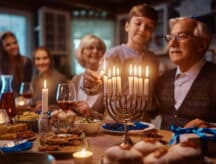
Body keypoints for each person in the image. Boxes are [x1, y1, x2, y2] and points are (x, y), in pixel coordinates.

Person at [82, 4, 159, 120]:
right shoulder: (113, 54)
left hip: (143, 121)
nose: (142, 30)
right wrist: (90, 83)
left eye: (149, 27)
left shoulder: (153, 59)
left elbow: (153, 94)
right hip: (116, 119)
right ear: (127, 26)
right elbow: (98, 85)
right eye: (138, 23)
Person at [154, 16, 216, 129]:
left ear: (201, 44)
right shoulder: (162, 80)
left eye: (182, 36)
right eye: (170, 37)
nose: (172, 44)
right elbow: (145, 112)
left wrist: (211, 126)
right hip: (163, 146)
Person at [71, 34, 106, 119]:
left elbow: (111, 118)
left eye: (99, 48)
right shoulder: (76, 79)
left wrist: (91, 113)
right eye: (91, 48)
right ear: (82, 52)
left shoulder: (109, 80)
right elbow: (69, 109)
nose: (95, 51)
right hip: (76, 130)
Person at [32, 47, 67, 112]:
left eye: (45, 58)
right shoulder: (35, 80)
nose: (41, 62)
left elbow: (66, 106)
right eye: (38, 59)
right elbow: (33, 104)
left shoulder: (61, 79)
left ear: (50, 59)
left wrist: (48, 108)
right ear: (34, 62)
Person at [0, 31, 33, 95]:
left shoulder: (26, 62)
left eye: (15, 43)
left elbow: (26, 87)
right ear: (2, 48)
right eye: (8, 45)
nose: (13, 46)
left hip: (20, 101)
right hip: (3, 101)